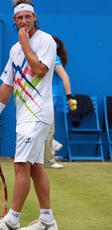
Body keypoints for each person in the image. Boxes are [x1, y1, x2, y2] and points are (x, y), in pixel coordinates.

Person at [0, 0, 58, 229]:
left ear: (35, 17)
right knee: (35, 167)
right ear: (14, 20)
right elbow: (7, 83)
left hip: (37, 114)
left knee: (20, 164)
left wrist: (25, 44)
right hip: (25, 116)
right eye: (19, 18)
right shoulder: (14, 50)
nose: (24, 21)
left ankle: (11, 220)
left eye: (27, 16)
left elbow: (40, 70)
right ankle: (47, 220)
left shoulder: (45, 41)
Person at [44, 35, 76, 169]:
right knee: (48, 130)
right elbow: (66, 78)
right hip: (48, 98)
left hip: (51, 97)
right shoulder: (52, 58)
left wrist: (68, 98)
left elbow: (65, 78)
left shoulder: (52, 58)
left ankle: (48, 157)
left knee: (48, 129)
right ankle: (48, 160)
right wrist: (69, 99)